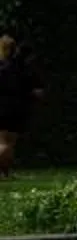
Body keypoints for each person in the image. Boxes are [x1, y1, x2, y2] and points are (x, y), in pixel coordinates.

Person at [0, 34, 37, 179]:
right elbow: (32, 88)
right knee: (10, 143)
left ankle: (3, 172)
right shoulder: (20, 67)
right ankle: (6, 172)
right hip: (16, 107)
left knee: (2, 141)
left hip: (2, 106)